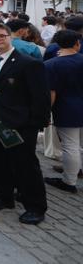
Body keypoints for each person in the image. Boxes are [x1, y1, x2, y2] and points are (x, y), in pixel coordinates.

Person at [0, 23, 49, 224]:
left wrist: (35, 125)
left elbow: (40, 98)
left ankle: (35, 207)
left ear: (10, 37)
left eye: (1, 36)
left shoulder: (28, 63)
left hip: (21, 124)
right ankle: (4, 197)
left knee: (25, 167)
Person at [43, 30, 83, 193]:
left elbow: (51, 93)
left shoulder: (50, 65)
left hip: (66, 107)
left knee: (70, 145)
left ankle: (69, 181)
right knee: (77, 145)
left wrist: (46, 112)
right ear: (77, 44)